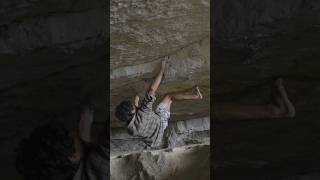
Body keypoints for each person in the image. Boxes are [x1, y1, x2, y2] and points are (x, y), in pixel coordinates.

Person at [115, 56, 203, 148]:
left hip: (155, 138)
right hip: (161, 122)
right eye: (132, 106)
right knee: (169, 97)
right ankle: (196, 96)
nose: (133, 105)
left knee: (166, 102)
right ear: (133, 111)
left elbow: (136, 118)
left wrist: (136, 104)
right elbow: (152, 90)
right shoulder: (143, 113)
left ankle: (188, 93)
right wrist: (162, 69)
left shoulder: (130, 129)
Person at [16, 104, 108, 180]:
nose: (74, 132)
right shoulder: (103, 162)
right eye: (70, 135)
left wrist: (84, 136)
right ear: (73, 157)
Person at [213, 77, 296, 122]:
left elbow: (282, 94)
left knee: (224, 112)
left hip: (250, 114)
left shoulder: (284, 112)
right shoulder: (279, 107)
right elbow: (279, 92)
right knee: (225, 109)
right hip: (249, 110)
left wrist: (279, 86)